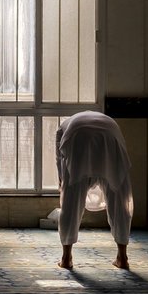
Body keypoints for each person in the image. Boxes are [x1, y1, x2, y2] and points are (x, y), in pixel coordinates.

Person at [55, 111, 133, 270]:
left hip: (79, 141)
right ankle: (122, 257)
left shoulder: (63, 127)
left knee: (71, 203)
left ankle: (66, 258)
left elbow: (60, 157)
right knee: (120, 201)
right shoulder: (107, 120)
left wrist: (62, 181)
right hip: (111, 140)